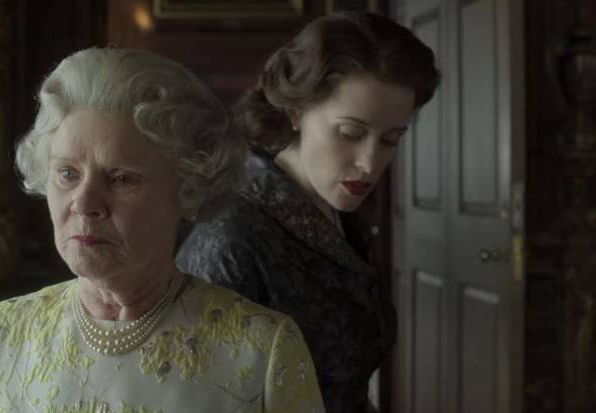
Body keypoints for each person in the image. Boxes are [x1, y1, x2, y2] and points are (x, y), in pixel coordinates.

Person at [0, 47, 324, 413]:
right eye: (67, 174)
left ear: (188, 189)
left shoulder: (261, 350)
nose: (84, 202)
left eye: (121, 178)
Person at [177, 11, 440, 413]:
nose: (370, 164)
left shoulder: (338, 210)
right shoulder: (230, 239)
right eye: (351, 133)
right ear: (296, 112)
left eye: (391, 139)